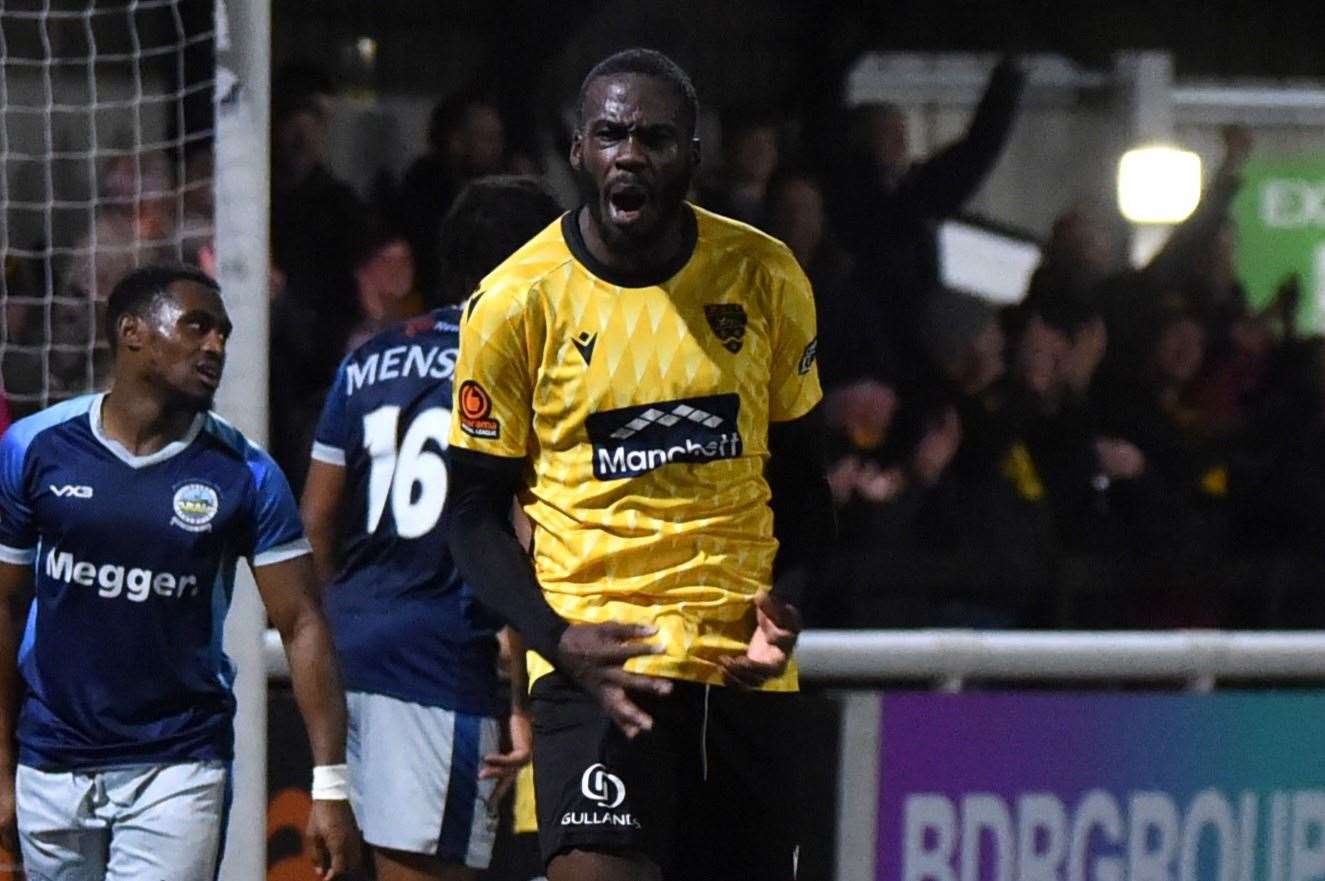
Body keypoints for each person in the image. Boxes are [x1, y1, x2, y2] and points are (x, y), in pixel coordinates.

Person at [443, 49, 832, 881]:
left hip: (740, 670)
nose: (630, 153)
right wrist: (557, 640)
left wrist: (787, 607)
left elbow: (803, 483)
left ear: (693, 156)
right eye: (611, 133)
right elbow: (471, 510)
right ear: (579, 151)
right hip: (599, 666)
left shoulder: (763, 275)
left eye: (654, 137)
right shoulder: (517, 302)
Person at [0, 264, 359, 880]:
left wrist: (329, 783)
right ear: (132, 333)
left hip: (177, 766)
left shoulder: (244, 473)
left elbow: (302, 623)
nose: (215, 345)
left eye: (222, 332)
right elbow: (3, 608)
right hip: (50, 763)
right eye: (196, 326)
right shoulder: (34, 448)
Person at [300, 177, 562, 881]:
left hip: (345, 656)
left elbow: (315, 522)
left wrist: (338, 632)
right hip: (440, 666)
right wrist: (519, 695)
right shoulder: (517, 369)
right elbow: (520, 539)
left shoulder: (366, 359)